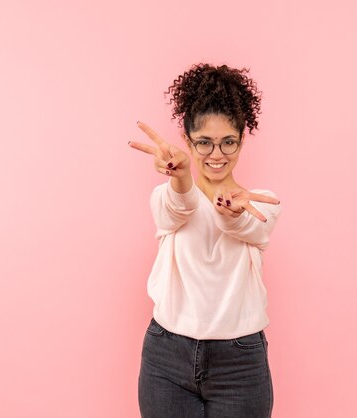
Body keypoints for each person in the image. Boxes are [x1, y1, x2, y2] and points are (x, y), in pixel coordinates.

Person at [128, 63, 281, 418]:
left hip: (240, 364)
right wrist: (181, 179)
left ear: (243, 139)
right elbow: (178, 208)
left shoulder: (262, 204)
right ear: (187, 141)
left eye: (229, 141)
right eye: (205, 143)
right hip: (167, 357)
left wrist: (234, 211)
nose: (217, 154)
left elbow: (245, 226)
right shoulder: (166, 198)